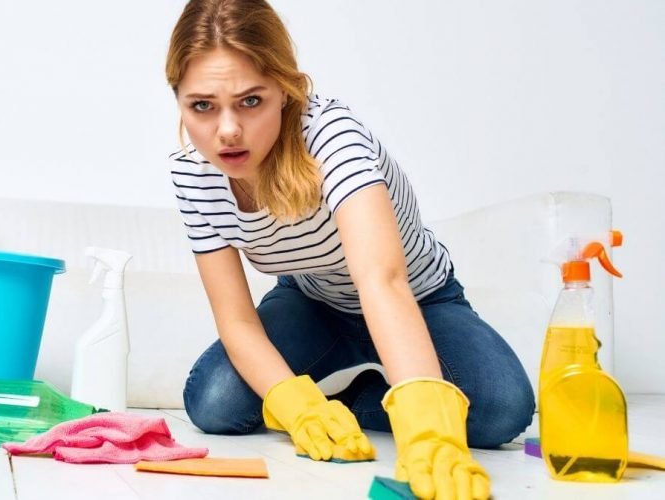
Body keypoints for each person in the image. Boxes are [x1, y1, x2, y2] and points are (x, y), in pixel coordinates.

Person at [164, 1, 534, 498]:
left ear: (285, 90)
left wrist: (426, 431)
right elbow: (236, 320)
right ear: (180, 100)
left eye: (250, 101)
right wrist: (297, 407)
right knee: (215, 405)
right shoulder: (193, 174)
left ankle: (368, 395)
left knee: (499, 411)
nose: (226, 130)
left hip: (419, 299)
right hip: (313, 302)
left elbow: (382, 281)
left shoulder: (332, 136)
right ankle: (342, 389)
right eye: (202, 106)